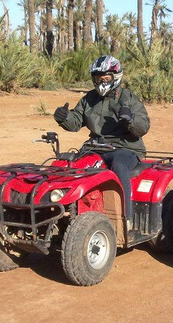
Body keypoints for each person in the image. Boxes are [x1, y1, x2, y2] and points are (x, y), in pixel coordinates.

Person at [53, 54, 150, 227]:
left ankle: (125, 217)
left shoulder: (128, 98)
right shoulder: (89, 99)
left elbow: (143, 127)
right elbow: (75, 122)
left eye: (106, 78)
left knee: (119, 166)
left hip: (125, 147)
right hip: (95, 147)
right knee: (67, 165)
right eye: (98, 78)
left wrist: (130, 120)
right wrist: (64, 117)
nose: (102, 82)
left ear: (115, 77)